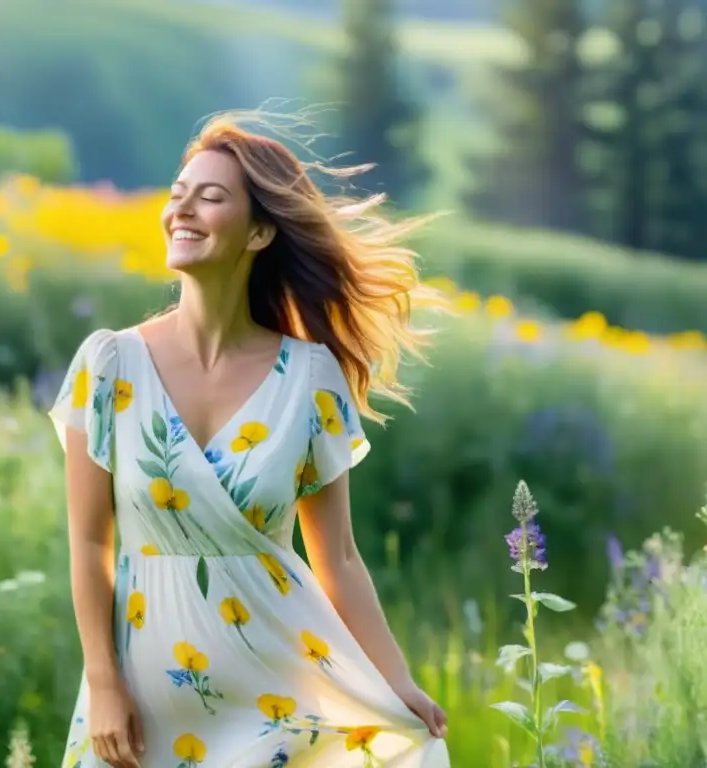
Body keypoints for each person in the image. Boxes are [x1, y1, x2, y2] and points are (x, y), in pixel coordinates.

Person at [50, 111, 451, 767]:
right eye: (178, 193)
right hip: (144, 700)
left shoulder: (310, 379)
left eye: (210, 196)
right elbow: (91, 541)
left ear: (260, 230)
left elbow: (340, 559)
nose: (182, 209)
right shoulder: (109, 366)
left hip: (275, 700)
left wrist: (395, 681)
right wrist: (102, 681)